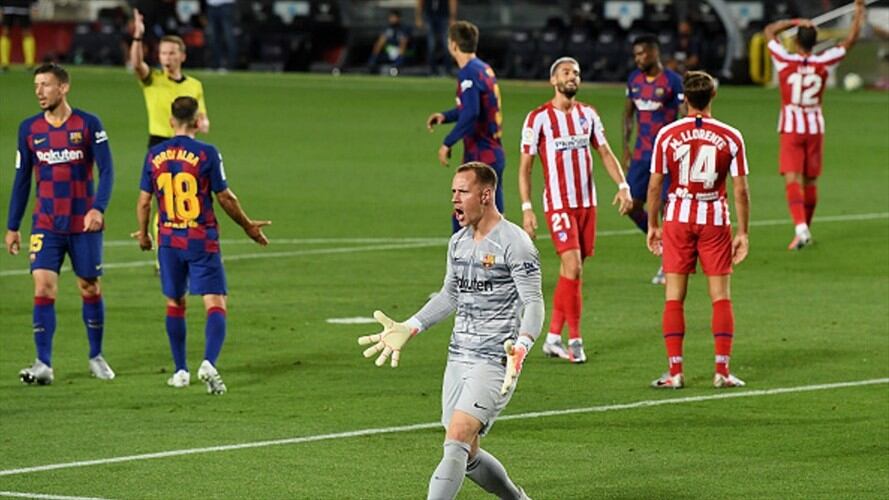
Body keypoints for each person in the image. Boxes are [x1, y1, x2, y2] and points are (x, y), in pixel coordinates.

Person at [358, 162, 541, 500]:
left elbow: (534, 302)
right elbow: (450, 295)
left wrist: (523, 345)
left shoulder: (515, 243)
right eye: (452, 192)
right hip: (458, 358)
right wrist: (411, 326)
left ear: (485, 195)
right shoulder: (457, 243)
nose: (454, 199)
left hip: (494, 360)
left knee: (456, 437)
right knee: (467, 451)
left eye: (462, 192)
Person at [133, 96, 269, 395]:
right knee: (215, 302)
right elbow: (225, 198)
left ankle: (180, 370)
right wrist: (247, 226)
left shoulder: (154, 154)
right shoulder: (208, 153)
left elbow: (144, 201)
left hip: (168, 241)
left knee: (175, 303)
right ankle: (208, 362)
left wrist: (144, 235)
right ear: (197, 122)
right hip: (200, 238)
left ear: (171, 122)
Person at [6, 63, 115, 385]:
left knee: (89, 286)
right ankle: (43, 363)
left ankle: (95, 356)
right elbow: (22, 179)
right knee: (43, 286)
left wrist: (99, 208)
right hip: (47, 223)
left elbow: (107, 171)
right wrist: (13, 226)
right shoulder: (29, 129)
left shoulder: (88, 124)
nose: (39, 91)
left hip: (84, 224)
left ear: (64, 88)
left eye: (46, 85)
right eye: (36, 85)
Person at [519, 57, 634, 363]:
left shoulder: (588, 114)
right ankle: (576, 340)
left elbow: (605, 152)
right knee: (574, 268)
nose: (573, 77)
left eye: (577, 73)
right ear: (553, 80)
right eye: (567, 73)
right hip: (559, 204)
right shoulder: (538, 118)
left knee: (570, 273)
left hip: (587, 203)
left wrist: (623, 185)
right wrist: (527, 208)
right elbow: (525, 168)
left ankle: (553, 338)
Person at [645, 71, 750, 389]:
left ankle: (675, 373)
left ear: (685, 99)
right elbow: (740, 190)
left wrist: (652, 225)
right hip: (715, 219)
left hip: (678, 217)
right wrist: (742, 232)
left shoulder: (667, 134)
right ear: (713, 96)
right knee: (720, 297)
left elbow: (654, 186)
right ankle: (722, 371)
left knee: (674, 296)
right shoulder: (731, 136)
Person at [763, 0, 865, 250]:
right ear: (815, 41)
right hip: (815, 127)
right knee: (810, 181)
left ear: (796, 41)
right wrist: (859, 13)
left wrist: (795, 22)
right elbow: (850, 41)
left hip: (791, 126)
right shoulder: (825, 61)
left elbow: (769, 31)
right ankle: (805, 230)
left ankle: (800, 229)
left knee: (792, 179)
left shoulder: (783, 59)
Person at [426, 20, 504, 233]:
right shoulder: (483, 69)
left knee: (463, 219)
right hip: (493, 152)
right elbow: (471, 108)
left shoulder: (468, 73)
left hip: (480, 155)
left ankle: (461, 266)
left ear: (452, 45)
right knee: (493, 219)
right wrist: (446, 116)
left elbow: (471, 113)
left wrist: (447, 142)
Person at [622, 34, 684, 284]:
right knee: (631, 206)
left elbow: (684, 114)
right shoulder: (634, 80)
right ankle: (662, 243)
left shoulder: (673, 81)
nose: (639, 58)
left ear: (655, 53)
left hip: (668, 155)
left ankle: (669, 261)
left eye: (643, 53)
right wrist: (626, 146)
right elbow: (628, 114)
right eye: (636, 54)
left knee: (668, 209)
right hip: (641, 155)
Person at [415, 0, 456, 76]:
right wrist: (418, 17)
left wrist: (452, 17)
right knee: (431, 44)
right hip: (429, 15)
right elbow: (420, 1)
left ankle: (448, 70)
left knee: (446, 44)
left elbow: (452, 1)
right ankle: (432, 71)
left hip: (444, 15)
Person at [368, 9, 410, 75]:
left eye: (394, 17)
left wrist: (400, 55)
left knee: (401, 56)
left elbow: (403, 43)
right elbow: (380, 42)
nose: (392, 19)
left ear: (398, 18)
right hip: (388, 52)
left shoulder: (403, 29)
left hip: (399, 52)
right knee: (376, 53)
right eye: (391, 17)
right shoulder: (387, 28)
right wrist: (374, 55)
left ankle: (396, 67)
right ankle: (372, 66)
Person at [0, 0, 36, 70]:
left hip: (23, 6)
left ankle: (30, 63)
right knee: (5, 32)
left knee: (27, 33)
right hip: (8, 6)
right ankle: (4, 63)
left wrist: (34, 4)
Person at [205, 0, 238, 71]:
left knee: (228, 37)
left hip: (226, 5)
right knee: (213, 38)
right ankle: (216, 64)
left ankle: (230, 65)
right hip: (211, 5)